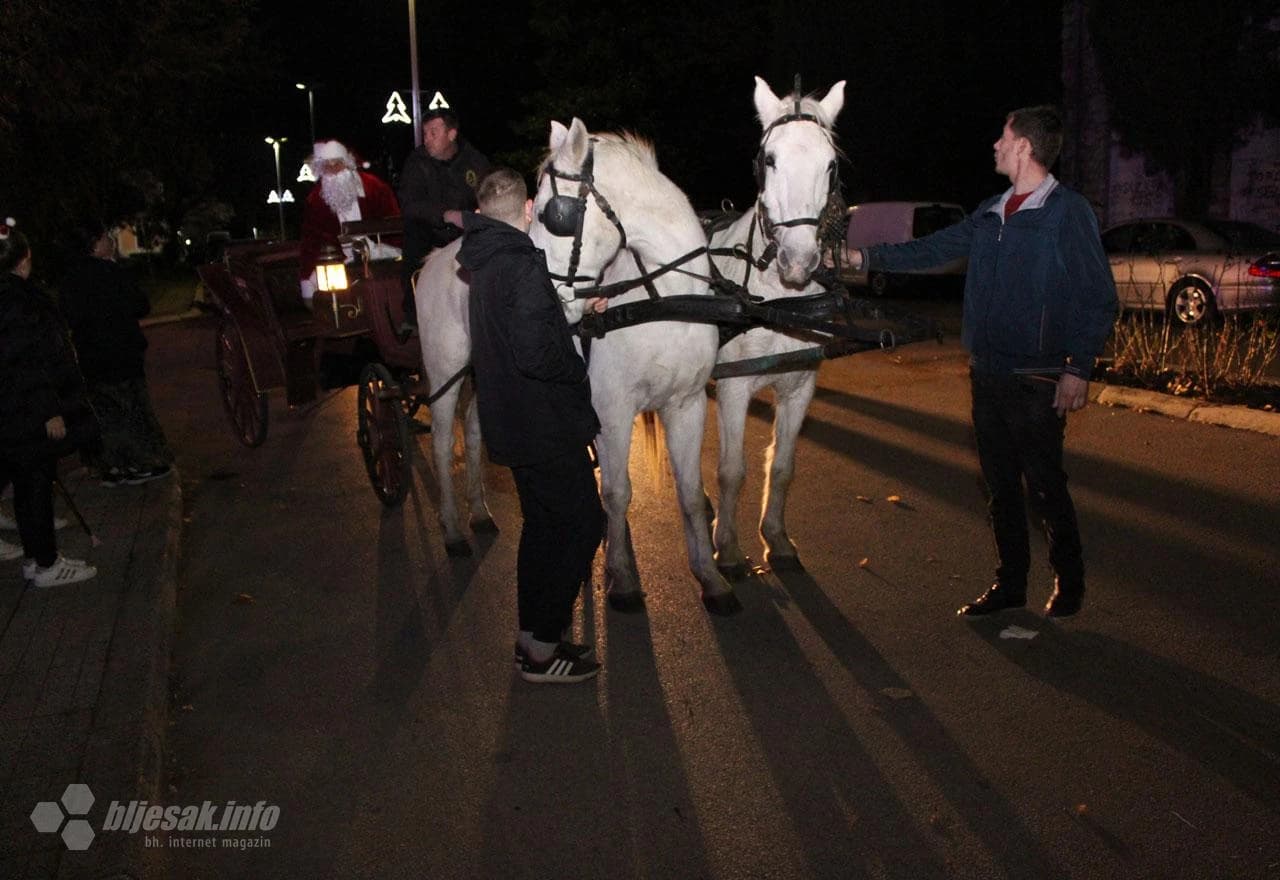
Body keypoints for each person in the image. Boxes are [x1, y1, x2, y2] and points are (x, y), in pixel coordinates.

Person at [849, 105, 1117, 618]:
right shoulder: (992, 210)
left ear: (1023, 147)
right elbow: (934, 248)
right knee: (999, 489)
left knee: (1044, 486)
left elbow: (1098, 296)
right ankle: (1010, 586)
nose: (995, 144)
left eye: (1003, 135)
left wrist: (1078, 368)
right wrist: (867, 259)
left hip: (1036, 376)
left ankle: (1070, 581)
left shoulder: (1066, 212)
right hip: (988, 372)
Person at [457, 167, 605, 684]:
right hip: (543, 424)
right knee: (586, 523)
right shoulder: (519, 262)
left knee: (544, 526)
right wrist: (574, 369)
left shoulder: (485, 260)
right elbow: (535, 349)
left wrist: (575, 313)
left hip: (514, 421)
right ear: (525, 211)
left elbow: (523, 324)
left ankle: (531, 638)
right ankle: (543, 650)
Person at [0, 218, 98, 587]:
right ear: (23, 260)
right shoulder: (20, 302)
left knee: (27, 487)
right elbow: (27, 362)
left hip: (11, 411)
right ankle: (46, 563)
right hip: (25, 412)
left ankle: (34, 558)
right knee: (34, 486)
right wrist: (50, 410)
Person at [59, 221, 173, 486]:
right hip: (120, 353)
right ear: (95, 245)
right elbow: (140, 305)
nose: (110, 241)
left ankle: (110, 466)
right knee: (130, 409)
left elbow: (70, 315)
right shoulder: (112, 274)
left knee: (105, 411)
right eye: (105, 238)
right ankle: (139, 461)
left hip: (92, 356)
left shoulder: (71, 278)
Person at [397, 108, 490, 337]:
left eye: (433, 132)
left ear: (451, 134)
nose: (427, 139)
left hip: (464, 232)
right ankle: (414, 318)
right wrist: (445, 214)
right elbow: (409, 204)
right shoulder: (416, 162)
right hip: (428, 232)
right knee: (414, 240)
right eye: (425, 133)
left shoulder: (475, 161)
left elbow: (488, 193)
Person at [298, 140, 401, 309]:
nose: (333, 169)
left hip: (380, 252)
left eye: (337, 164)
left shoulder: (375, 188)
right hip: (338, 261)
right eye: (327, 166)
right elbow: (310, 242)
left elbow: (393, 222)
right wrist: (306, 280)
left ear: (347, 164)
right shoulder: (315, 200)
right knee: (331, 286)